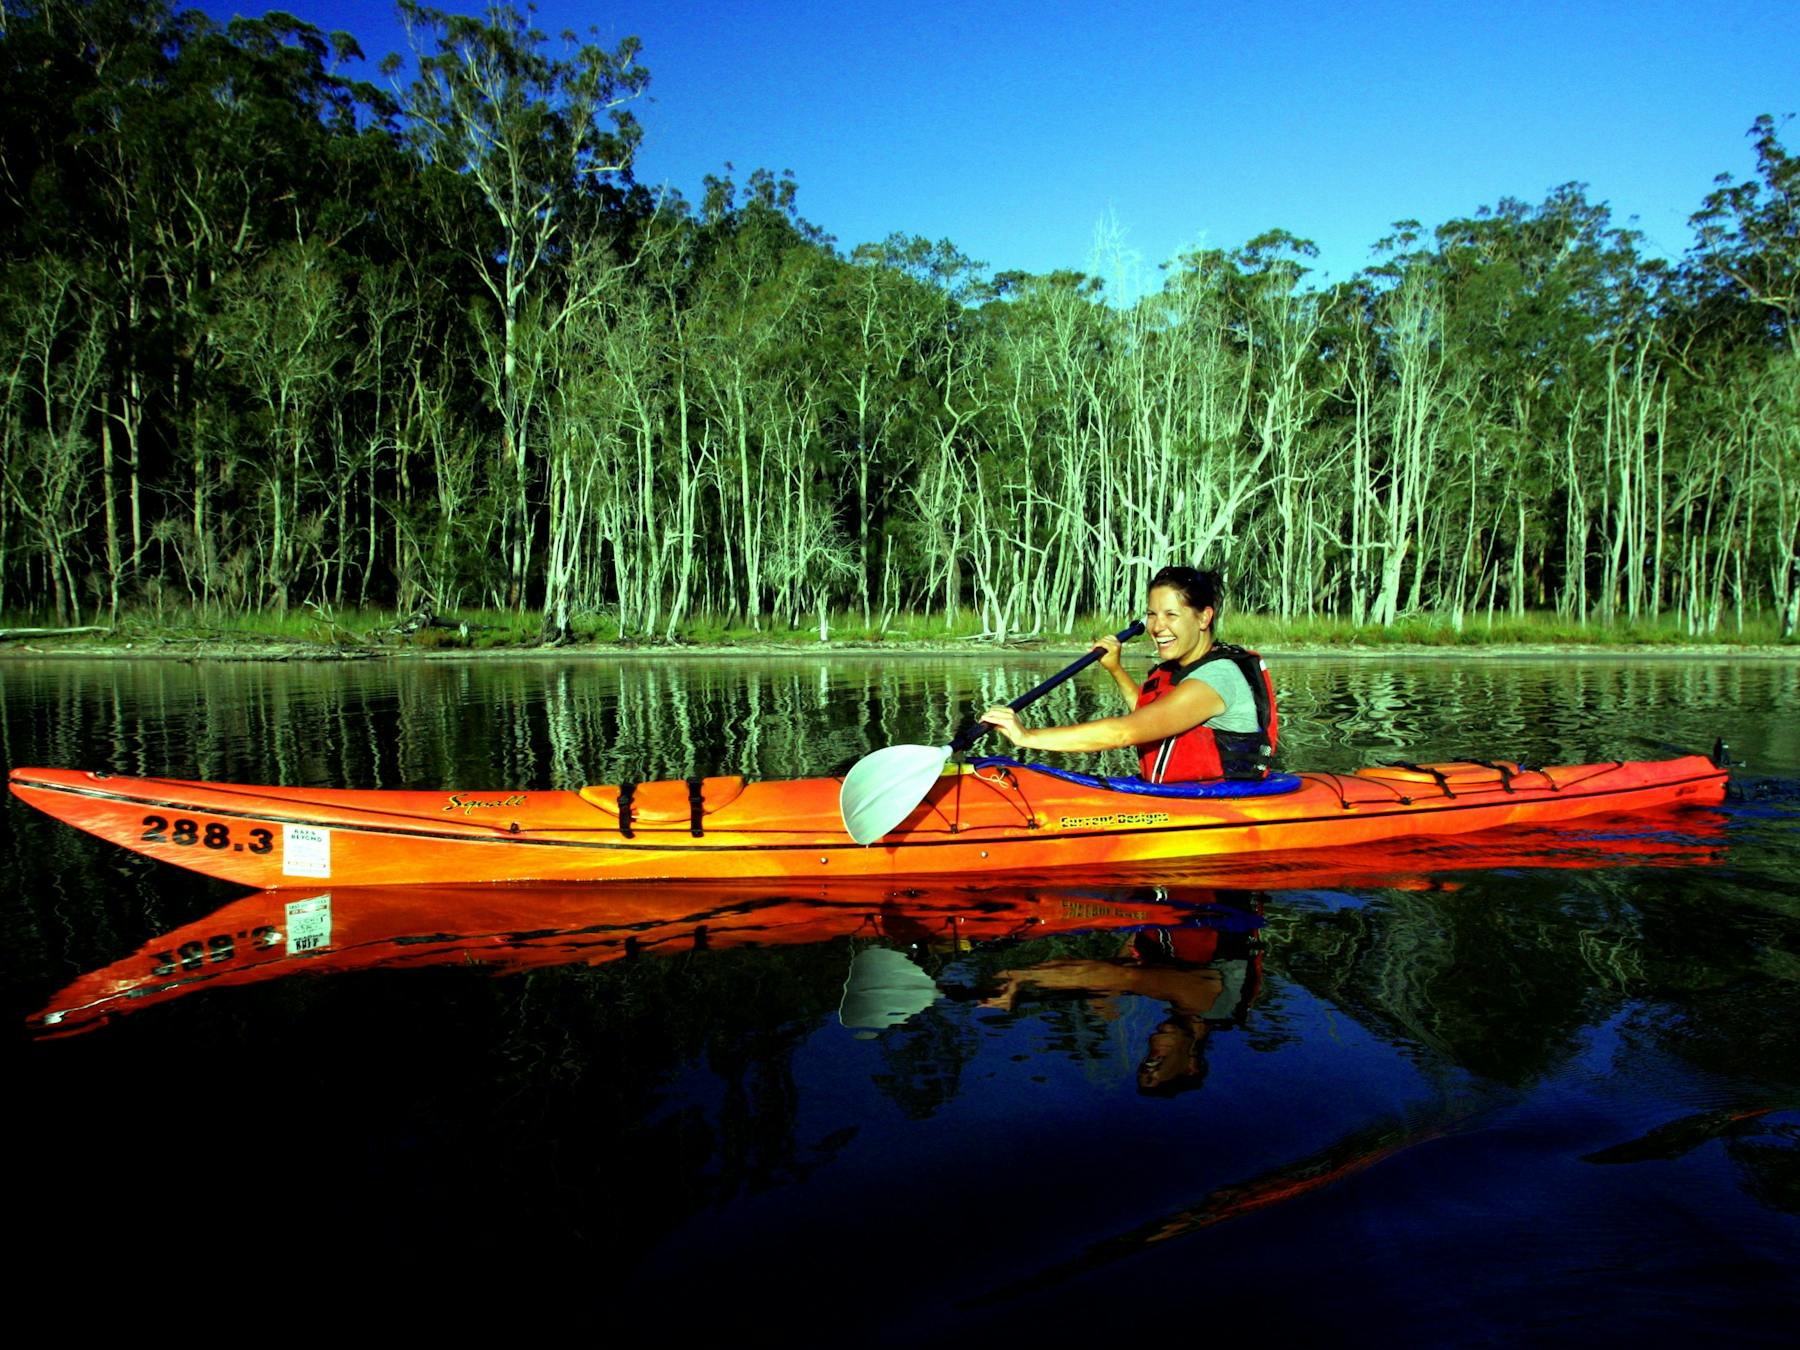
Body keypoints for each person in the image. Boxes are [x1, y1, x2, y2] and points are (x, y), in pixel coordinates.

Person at [979, 565, 1277, 782]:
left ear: (1203, 617)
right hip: (1180, 794)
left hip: (1220, 804)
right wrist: (1116, 669)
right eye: (1151, 614)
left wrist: (1027, 736)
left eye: (1171, 615)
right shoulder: (1182, 668)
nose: (1157, 627)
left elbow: (1126, 731)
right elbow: (1153, 717)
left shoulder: (1215, 679)